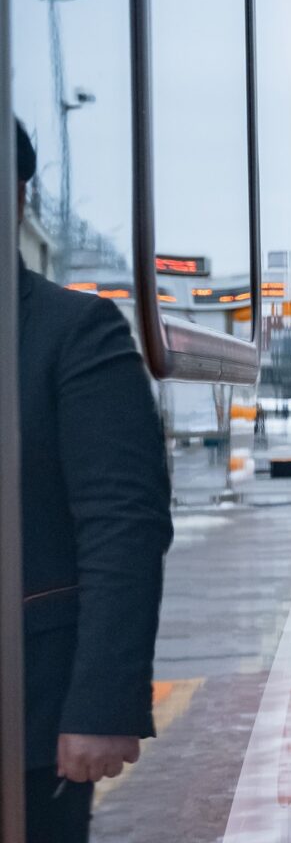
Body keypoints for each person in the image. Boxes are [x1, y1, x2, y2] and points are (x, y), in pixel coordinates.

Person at [15, 121, 174, 842]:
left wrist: (102, 703)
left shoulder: (71, 330)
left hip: (25, 716)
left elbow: (125, 524)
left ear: (16, 200)